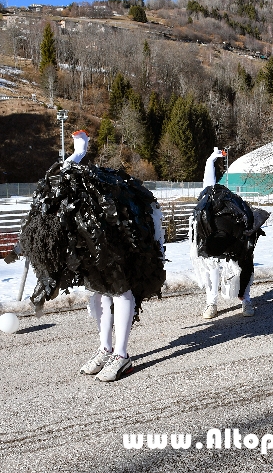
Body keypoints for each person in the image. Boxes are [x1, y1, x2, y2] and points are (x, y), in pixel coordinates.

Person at [17, 130, 166, 382]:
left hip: (116, 248)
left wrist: (78, 154)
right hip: (90, 249)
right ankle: (105, 349)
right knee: (98, 297)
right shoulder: (68, 200)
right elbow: (59, 181)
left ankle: (122, 355)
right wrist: (77, 154)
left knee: (119, 292)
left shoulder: (100, 199)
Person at [190, 148, 269, 319]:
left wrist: (242, 293)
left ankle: (246, 299)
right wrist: (210, 160)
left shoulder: (241, 232)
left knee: (243, 265)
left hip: (237, 234)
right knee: (212, 268)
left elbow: (247, 265)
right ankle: (211, 302)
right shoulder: (210, 210)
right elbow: (208, 185)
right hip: (218, 232)